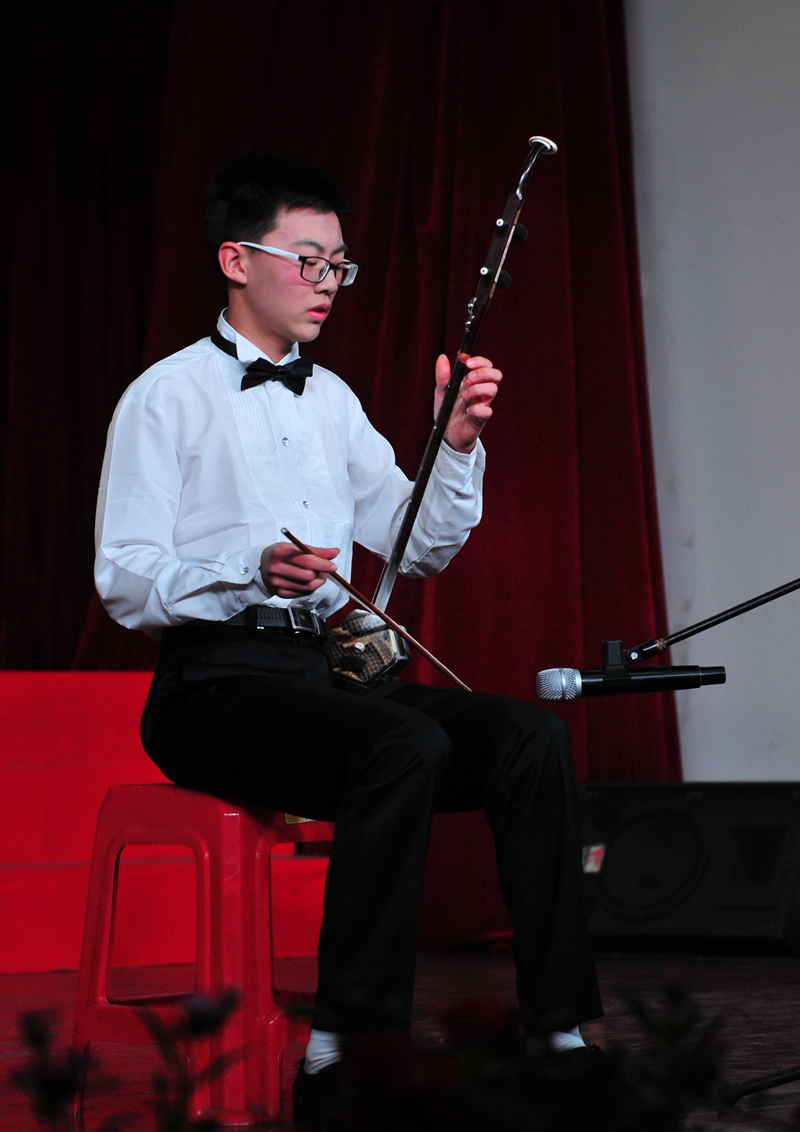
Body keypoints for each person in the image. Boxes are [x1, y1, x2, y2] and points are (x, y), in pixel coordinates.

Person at [95, 151, 602, 1129]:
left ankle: (557, 1035)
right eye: (307, 260)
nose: (326, 282)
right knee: (399, 745)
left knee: (528, 738)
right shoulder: (165, 396)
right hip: (213, 687)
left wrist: (454, 445)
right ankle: (345, 1055)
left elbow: (419, 544)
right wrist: (246, 570)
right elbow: (123, 578)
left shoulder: (331, 401)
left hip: (324, 677)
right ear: (235, 260)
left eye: (338, 265)